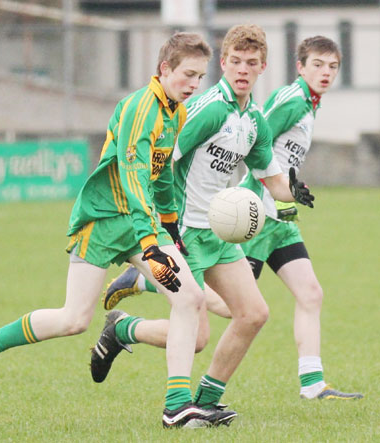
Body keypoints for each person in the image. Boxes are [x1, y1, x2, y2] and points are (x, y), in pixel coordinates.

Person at [0, 32, 238, 429]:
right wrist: (153, 243)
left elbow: (161, 175)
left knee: (189, 298)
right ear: (164, 69)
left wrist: (169, 225)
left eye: (199, 77)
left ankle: (176, 406)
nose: (193, 84)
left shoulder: (177, 113)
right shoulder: (141, 108)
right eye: (187, 74)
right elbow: (134, 177)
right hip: (103, 221)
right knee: (73, 319)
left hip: (141, 225)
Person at [103, 35, 363, 401]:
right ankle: (128, 330)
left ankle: (209, 400)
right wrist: (161, 220)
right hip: (190, 230)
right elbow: (163, 157)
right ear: (223, 62)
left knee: (254, 313)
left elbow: (270, 176)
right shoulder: (210, 109)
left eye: (252, 62)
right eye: (237, 60)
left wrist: (292, 191)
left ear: (263, 67)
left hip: (221, 229)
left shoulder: (253, 117)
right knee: (198, 337)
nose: (244, 69)